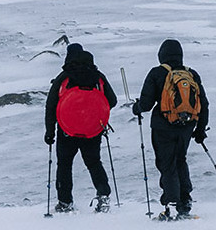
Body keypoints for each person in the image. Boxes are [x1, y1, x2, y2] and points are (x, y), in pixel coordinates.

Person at [131, 39, 207, 219]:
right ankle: (185, 200)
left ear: (161, 55)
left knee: (167, 163)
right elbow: (203, 103)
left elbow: (147, 104)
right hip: (187, 126)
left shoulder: (157, 73)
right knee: (180, 160)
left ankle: (171, 202)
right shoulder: (192, 74)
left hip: (162, 126)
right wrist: (200, 129)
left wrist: (137, 108)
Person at [44, 43, 117, 212]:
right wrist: (94, 113)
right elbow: (112, 101)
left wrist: (50, 132)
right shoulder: (97, 76)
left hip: (66, 131)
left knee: (64, 164)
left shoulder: (64, 77)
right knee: (93, 162)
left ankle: (65, 202)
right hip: (92, 130)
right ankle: (104, 196)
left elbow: (51, 106)